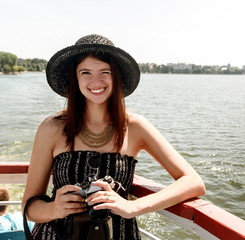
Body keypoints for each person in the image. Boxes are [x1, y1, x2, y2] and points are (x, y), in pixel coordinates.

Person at [21, 34, 205, 239]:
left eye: (105, 72)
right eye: (86, 72)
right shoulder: (51, 128)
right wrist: (54, 209)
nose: (96, 81)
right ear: (75, 78)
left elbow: (193, 182)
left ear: (115, 76)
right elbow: (29, 206)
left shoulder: (135, 126)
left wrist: (132, 207)